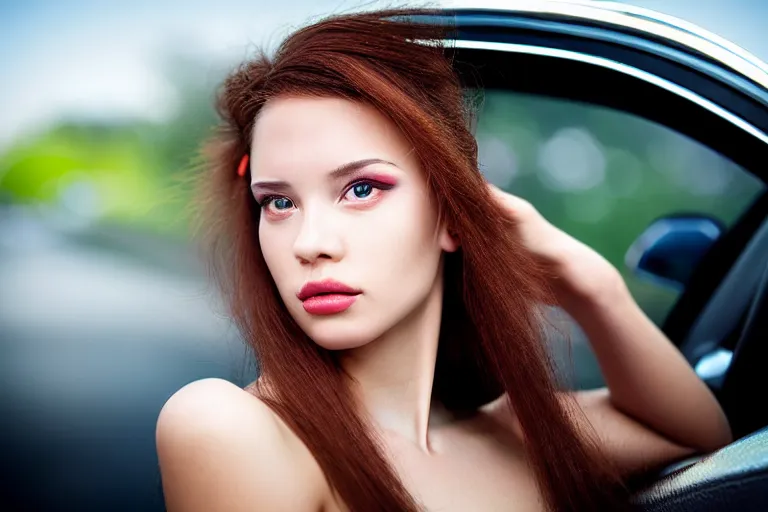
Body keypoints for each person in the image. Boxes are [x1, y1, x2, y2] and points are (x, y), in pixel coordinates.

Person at [155, 8, 732, 512]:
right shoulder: (232, 429)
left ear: (452, 213)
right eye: (279, 202)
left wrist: (591, 284)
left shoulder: (520, 436)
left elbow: (701, 435)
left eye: (360, 189)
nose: (310, 242)